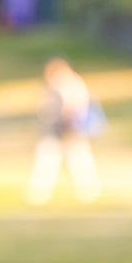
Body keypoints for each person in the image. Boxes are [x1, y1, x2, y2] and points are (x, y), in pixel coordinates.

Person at [25, 57, 103, 204]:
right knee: (49, 160)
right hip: (54, 129)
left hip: (70, 129)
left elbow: (73, 108)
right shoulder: (54, 86)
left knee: (77, 159)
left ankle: (87, 190)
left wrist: (69, 125)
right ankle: (40, 191)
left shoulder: (70, 85)